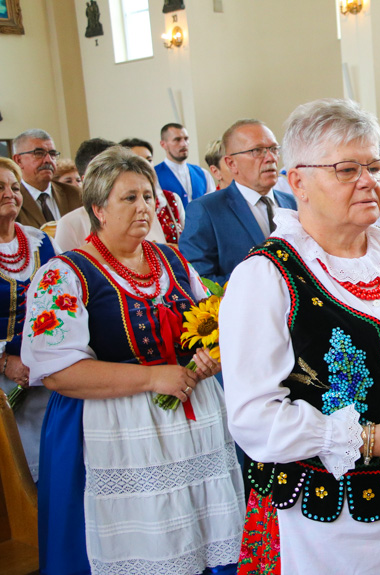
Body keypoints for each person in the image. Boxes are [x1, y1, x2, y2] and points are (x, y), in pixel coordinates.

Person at [221, 98, 380, 575]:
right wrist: (371, 439)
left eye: (375, 164)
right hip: (329, 520)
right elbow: (252, 417)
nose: (369, 181)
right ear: (297, 180)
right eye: (346, 169)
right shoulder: (267, 277)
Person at [22, 146, 244, 575]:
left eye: (148, 196)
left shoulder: (174, 260)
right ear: (98, 208)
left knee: (203, 537)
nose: (144, 207)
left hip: (193, 420)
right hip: (114, 430)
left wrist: (209, 358)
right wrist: (152, 378)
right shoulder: (64, 274)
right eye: (129, 198)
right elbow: (58, 373)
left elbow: (213, 326)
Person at [179, 119, 297, 284]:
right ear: (231, 163)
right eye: (257, 150)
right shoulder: (207, 210)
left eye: (273, 149)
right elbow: (200, 280)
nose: (270, 158)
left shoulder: (292, 203)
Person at [0, 157, 58, 482]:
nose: (9, 193)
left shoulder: (40, 240)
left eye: (14, 186)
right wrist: (6, 361)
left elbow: (66, 299)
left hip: (47, 371)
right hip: (4, 381)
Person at [12, 129, 83, 228]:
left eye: (52, 154)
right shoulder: (11, 199)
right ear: (18, 160)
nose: (48, 160)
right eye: (39, 153)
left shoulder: (75, 195)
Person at [122, 137, 185, 243]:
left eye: (149, 160)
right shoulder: (122, 202)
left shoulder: (171, 199)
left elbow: (187, 239)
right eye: (138, 160)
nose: (146, 165)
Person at [154, 122, 215, 206]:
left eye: (186, 139)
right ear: (163, 144)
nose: (184, 144)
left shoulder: (203, 173)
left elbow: (213, 204)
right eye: (177, 140)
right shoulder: (154, 175)